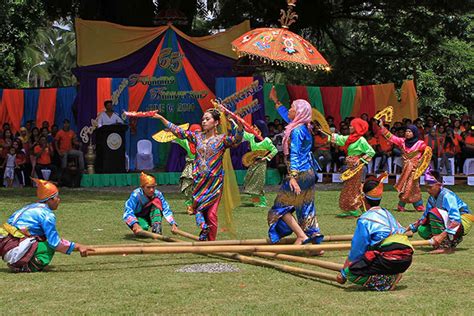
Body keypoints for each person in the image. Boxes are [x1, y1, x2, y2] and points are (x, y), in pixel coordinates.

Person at [153, 107, 244, 241]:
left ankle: (211, 243)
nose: (204, 122)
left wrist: (240, 126)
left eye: (207, 119)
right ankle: (204, 232)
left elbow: (237, 140)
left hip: (215, 182)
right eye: (203, 119)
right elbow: (179, 132)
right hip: (200, 182)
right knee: (199, 210)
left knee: (212, 214)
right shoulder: (197, 137)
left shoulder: (222, 139)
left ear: (216, 122)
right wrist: (162, 119)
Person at [337, 174, 414, 291]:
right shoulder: (387, 213)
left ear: (363, 199)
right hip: (406, 257)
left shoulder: (364, 220)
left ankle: (389, 280)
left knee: (351, 273)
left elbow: (357, 250)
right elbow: (401, 230)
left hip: (389, 258)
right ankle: (392, 274)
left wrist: (344, 272)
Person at [268, 87, 323, 245]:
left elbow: (295, 154)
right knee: (305, 206)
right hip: (309, 172)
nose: (290, 109)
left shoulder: (297, 130)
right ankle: (314, 241)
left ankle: (301, 235)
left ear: (298, 113)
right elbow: (287, 116)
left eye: (292, 107)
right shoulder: (303, 126)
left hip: (299, 173)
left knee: (279, 208)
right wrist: (276, 101)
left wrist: (292, 177)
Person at [0, 178, 91, 272]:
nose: (59, 200)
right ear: (49, 200)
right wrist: (78, 246)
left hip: (5, 246)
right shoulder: (46, 214)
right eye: (57, 197)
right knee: (49, 247)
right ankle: (26, 266)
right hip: (14, 248)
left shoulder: (29, 207)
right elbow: (55, 243)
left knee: (42, 239)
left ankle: (20, 262)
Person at [406, 170, 473, 254]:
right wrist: (411, 228)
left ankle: (445, 246)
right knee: (423, 230)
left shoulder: (447, 196)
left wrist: (441, 236)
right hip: (450, 222)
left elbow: (456, 220)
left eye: (430, 187)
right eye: (426, 187)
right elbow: (425, 217)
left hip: (463, 221)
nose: (427, 190)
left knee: (434, 212)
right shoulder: (432, 198)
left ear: (439, 185)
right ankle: (452, 240)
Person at [331, 118, 375, 218]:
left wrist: (360, 160)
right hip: (349, 166)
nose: (350, 127)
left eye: (352, 126)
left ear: (357, 128)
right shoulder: (350, 138)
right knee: (349, 187)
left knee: (356, 187)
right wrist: (326, 132)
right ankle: (352, 209)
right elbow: (339, 138)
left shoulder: (361, 140)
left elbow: (371, 151)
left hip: (357, 167)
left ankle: (359, 209)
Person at [379, 123, 427, 212]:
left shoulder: (421, 144)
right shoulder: (402, 142)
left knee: (412, 186)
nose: (407, 133)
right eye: (406, 131)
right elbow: (392, 137)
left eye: (410, 131)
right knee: (409, 186)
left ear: (414, 133)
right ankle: (415, 205)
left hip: (414, 169)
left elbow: (427, 154)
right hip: (405, 169)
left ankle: (406, 205)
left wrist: (421, 164)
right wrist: (382, 127)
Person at [242, 120, 277, 208]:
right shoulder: (251, 137)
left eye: (255, 126)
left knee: (258, 183)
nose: (253, 128)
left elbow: (274, 150)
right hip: (252, 163)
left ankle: (262, 202)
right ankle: (255, 202)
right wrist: (234, 122)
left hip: (261, 164)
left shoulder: (266, 140)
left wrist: (267, 157)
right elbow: (242, 132)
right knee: (249, 180)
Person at [173, 124, 202, 213]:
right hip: (190, 167)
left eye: (199, 132)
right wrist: (171, 131)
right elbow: (177, 137)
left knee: (200, 187)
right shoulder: (187, 142)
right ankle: (189, 205)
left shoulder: (204, 142)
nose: (197, 134)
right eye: (195, 132)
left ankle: (198, 206)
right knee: (188, 186)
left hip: (201, 167)